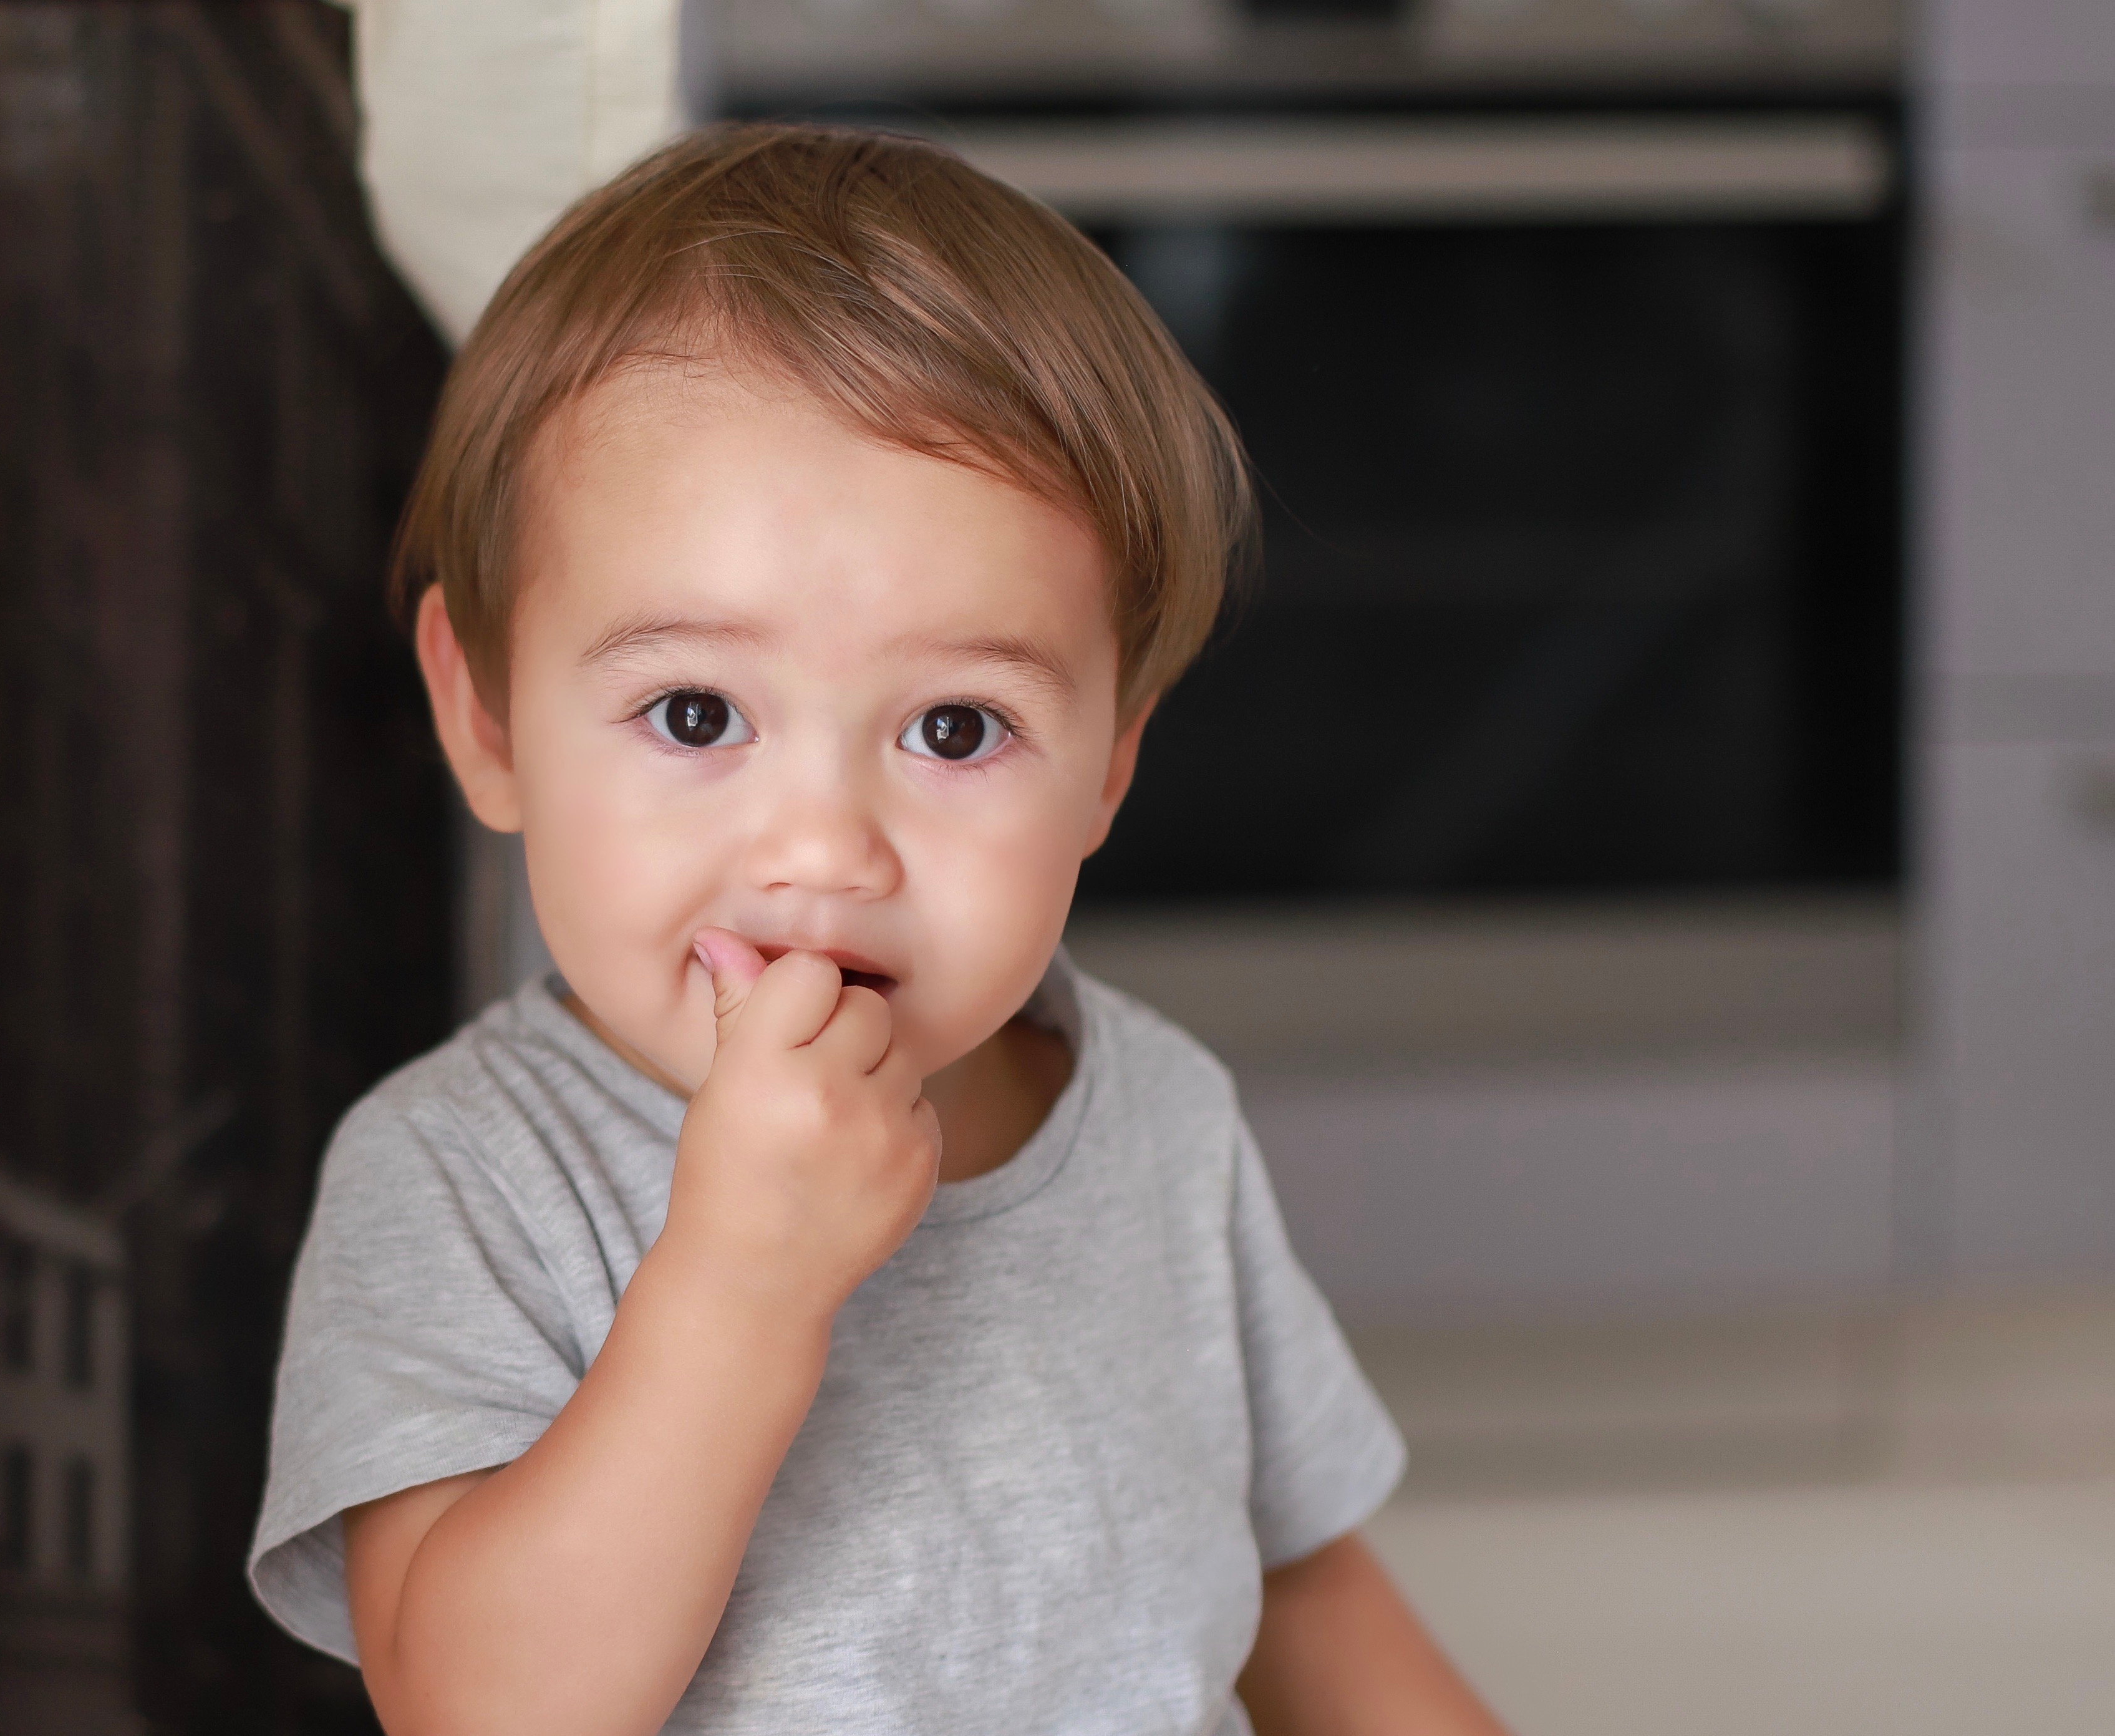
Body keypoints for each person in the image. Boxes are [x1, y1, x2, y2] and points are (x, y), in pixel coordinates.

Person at [249, 122, 1508, 1736]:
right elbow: (480, 1710)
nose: (823, 849)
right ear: (485, 718)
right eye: (695, 710)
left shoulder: (1157, 1122)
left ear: (1108, 765)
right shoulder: (468, 1173)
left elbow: (1306, 1591)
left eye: (956, 731)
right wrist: (738, 1287)